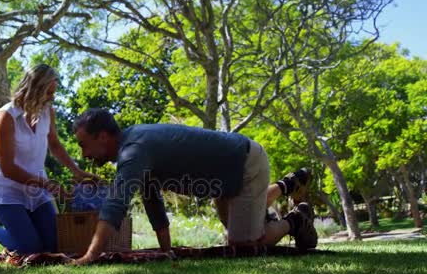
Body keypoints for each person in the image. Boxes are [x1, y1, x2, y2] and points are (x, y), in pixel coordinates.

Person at [70, 108, 317, 265]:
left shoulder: (133, 151)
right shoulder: (135, 145)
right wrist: (167, 251)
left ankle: (296, 219)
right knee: (238, 223)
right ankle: (286, 185)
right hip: (229, 178)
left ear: (102, 136)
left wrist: (90, 255)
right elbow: (152, 200)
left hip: (245, 166)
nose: (84, 154)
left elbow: (115, 204)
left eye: (83, 145)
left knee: (244, 245)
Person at [0, 64, 99, 255]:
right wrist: (50, 186)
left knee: (54, 246)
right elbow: (8, 168)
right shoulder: (5, 116)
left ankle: (17, 234)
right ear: (34, 89)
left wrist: (77, 171)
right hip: (8, 191)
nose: (52, 98)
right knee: (29, 249)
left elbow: (55, 145)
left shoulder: (47, 111)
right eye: (48, 93)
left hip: (37, 190)